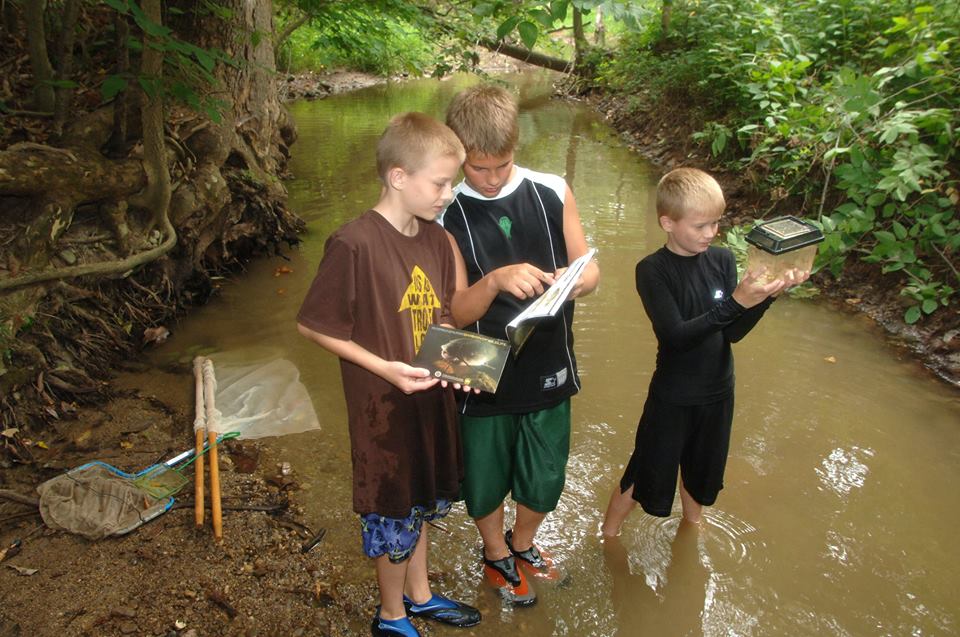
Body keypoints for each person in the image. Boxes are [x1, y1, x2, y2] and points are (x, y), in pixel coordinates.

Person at [297, 112, 481, 637]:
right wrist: (386, 369)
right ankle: (391, 614)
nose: (450, 193)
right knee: (393, 511)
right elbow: (314, 326)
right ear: (398, 177)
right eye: (441, 183)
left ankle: (419, 595)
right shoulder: (353, 243)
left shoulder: (436, 240)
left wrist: (461, 363)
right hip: (383, 409)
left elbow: (442, 316)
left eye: (453, 182)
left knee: (421, 501)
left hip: (429, 398)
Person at [441, 84, 600, 605]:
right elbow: (453, 312)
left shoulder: (552, 190)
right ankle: (493, 551)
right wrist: (494, 281)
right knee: (483, 474)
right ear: (456, 154)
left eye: (501, 166)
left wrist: (570, 280)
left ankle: (523, 543)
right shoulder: (444, 213)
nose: (489, 180)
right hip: (479, 362)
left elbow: (591, 270)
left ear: (517, 149)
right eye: (476, 168)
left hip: (548, 353)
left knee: (547, 470)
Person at [600, 167, 808, 536]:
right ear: (668, 222)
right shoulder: (652, 271)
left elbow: (733, 332)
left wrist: (766, 297)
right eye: (700, 226)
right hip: (673, 397)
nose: (710, 233)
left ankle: (691, 534)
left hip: (718, 393)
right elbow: (676, 337)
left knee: (700, 476)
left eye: (716, 223)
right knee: (643, 472)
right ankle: (608, 536)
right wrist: (737, 301)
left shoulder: (723, 260)